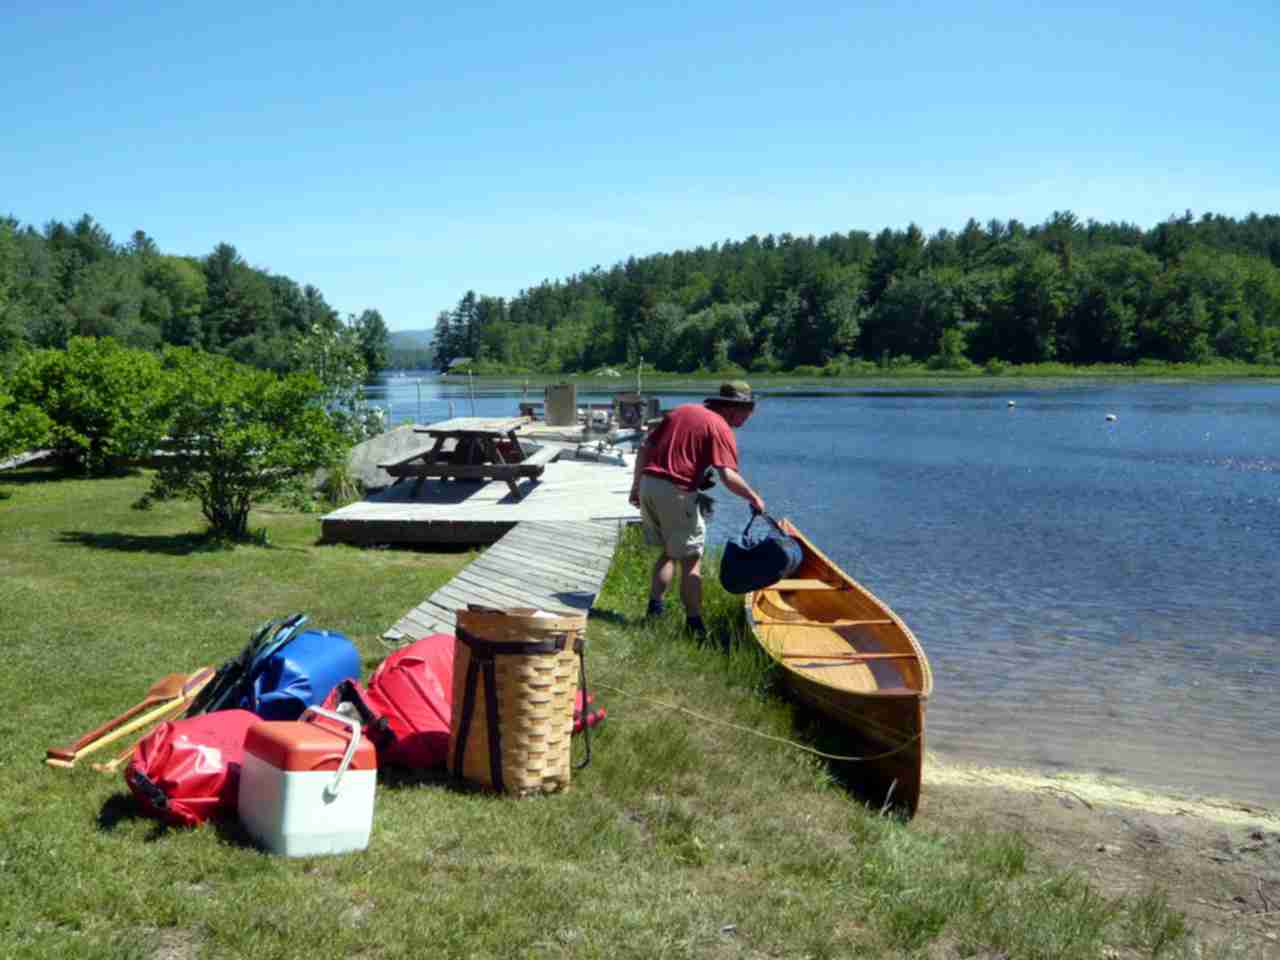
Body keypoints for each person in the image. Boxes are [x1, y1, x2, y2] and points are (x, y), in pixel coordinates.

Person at [628, 380, 766, 638]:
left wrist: (636, 486)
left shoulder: (682, 411)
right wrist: (753, 497)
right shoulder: (720, 426)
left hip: (649, 484)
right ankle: (695, 626)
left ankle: (654, 610)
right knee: (691, 560)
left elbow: (646, 448)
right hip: (675, 491)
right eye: (747, 413)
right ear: (734, 408)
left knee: (669, 552)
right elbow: (727, 476)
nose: (747, 419)